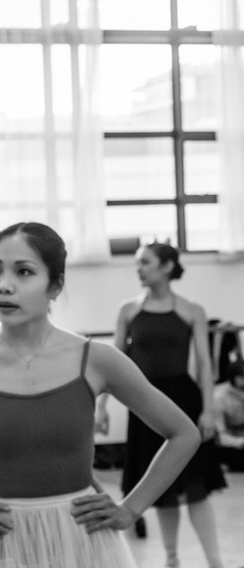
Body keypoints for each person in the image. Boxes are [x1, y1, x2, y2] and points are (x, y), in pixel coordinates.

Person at [0, 222, 201, 568]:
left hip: (83, 542)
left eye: (23, 272)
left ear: (56, 285)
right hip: (1, 544)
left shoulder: (96, 359)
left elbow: (183, 433)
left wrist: (131, 509)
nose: (4, 285)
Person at [96, 242, 228, 568]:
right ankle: (171, 559)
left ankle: (215, 561)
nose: (139, 268)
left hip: (184, 401)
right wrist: (101, 406)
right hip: (146, 405)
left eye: (146, 262)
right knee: (163, 485)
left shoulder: (191, 310)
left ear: (167, 266)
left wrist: (208, 409)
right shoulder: (128, 310)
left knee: (197, 487)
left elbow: (205, 364)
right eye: (137, 262)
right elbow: (114, 362)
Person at [214, 358, 244, 471]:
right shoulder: (219, 397)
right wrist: (240, 442)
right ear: (237, 379)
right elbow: (219, 437)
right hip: (232, 445)